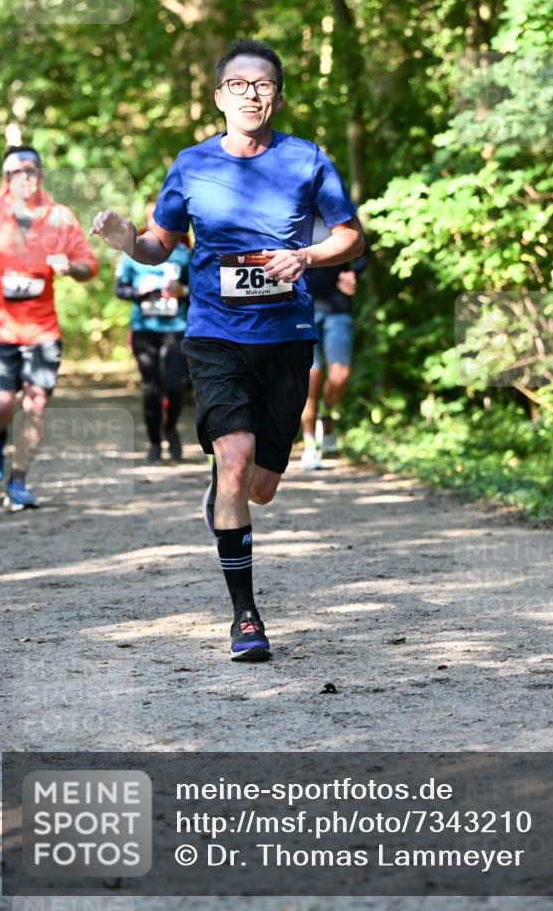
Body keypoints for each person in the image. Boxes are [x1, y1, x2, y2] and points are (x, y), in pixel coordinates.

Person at [91, 38, 364, 662]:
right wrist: (127, 240)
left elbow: (350, 236)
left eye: (262, 84)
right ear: (219, 97)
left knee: (260, 486)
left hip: (287, 337)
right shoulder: (191, 165)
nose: (250, 93)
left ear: (278, 95)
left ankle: (227, 491)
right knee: (236, 461)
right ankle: (245, 618)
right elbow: (161, 244)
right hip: (214, 333)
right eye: (238, 84)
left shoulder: (306, 159)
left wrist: (306, 254)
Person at [0, 145, 97, 510]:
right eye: (15, 171)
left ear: (41, 174)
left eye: (31, 169)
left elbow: (87, 266)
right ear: (6, 178)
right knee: (0, 405)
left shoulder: (59, 216)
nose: (24, 176)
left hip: (42, 330)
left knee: (35, 406)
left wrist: (69, 266)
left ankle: (18, 482)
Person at [115, 206, 191, 461]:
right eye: (153, 218)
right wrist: (138, 291)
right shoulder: (132, 254)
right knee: (152, 387)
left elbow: (199, 291)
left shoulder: (184, 255)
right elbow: (120, 290)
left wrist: (182, 291)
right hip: (144, 330)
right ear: (147, 222)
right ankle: (155, 442)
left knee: (175, 384)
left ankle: (171, 429)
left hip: (176, 329)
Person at [300, 216, 367, 469]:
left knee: (340, 375)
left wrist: (353, 273)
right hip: (302, 306)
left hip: (338, 306)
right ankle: (309, 444)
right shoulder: (293, 205)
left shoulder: (337, 207)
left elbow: (362, 249)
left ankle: (325, 416)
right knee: (312, 377)